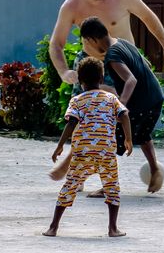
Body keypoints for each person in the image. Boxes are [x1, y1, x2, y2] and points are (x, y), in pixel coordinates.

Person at [80, 16, 164, 193]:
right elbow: (146, 63)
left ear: (92, 39)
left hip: (140, 103)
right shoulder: (123, 43)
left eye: (87, 42)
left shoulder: (112, 55)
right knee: (143, 135)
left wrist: (122, 105)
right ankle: (155, 169)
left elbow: (131, 80)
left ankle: (108, 186)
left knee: (110, 140)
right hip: (155, 97)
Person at [45, 57, 130, 238]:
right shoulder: (111, 98)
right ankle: (112, 228)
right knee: (112, 187)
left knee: (70, 185)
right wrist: (128, 140)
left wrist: (60, 146)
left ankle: (53, 227)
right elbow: (124, 115)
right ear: (101, 78)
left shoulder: (77, 100)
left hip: (82, 153)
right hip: (106, 152)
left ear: (80, 81)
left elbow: (71, 123)